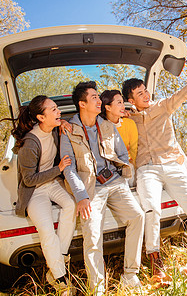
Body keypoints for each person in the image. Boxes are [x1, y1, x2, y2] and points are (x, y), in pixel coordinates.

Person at [122, 65, 187, 279]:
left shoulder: (163, 106)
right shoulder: (128, 119)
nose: (146, 95)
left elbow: (185, 91)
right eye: (140, 93)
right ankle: (155, 259)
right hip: (147, 170)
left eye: (146, 90)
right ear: (132, 101)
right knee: (151, 209)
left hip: (171, 165)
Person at [60, 81, 145, 295]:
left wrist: (122, 174)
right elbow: (68, 169)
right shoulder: (68, 130)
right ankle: (97, 289)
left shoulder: (107, 125)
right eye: (94, 97)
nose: (99, 101)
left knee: (138, 217)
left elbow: (122, 154)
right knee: (92, 236)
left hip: (115, 182)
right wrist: (81, 196)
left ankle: (130, 274)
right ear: (82, 103)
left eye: (99, 97)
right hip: (90, 189)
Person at [11, 95, 77, 295]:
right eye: (54, 110)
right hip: (34, 191)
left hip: (52, 184)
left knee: (72, 206)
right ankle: (60, 279)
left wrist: (63, 122)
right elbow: (29, 180)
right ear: (41, 117)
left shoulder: (55, 130)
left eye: (58, 109)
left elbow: (64, 124)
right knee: (47, 231)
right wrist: (58, 168)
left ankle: (61, 256)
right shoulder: (29, 143)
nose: (59, 112)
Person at [99, 89, 138, 186]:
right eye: (119, 103)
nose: (123, 106)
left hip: (127, 166)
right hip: (107, 170)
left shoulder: (129, 123)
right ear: (108, 107)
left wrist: (139, 169)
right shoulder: (99, 127)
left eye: (123, 102)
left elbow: (134, 150)